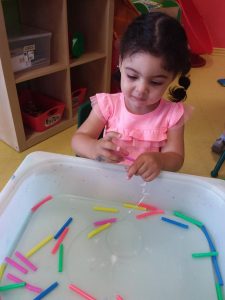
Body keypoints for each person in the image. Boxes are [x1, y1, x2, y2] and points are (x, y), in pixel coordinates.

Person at [71, 12, 191, 182]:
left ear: (171, 78)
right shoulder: (108, 105)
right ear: (120, 63)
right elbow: (78, 139)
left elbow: (176, 158)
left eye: (156, 82)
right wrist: (94, 148)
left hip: (147, 188)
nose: (141, 90)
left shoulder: (173, 115)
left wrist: (160, 160)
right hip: (108, 182)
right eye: (132, 76)